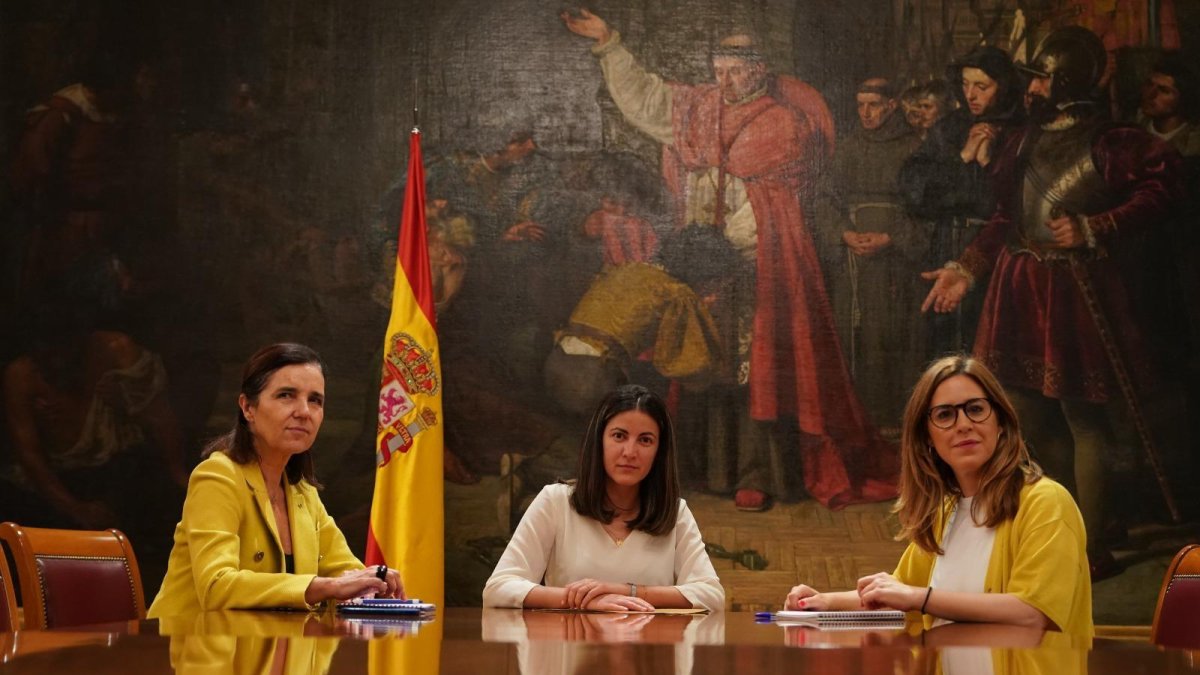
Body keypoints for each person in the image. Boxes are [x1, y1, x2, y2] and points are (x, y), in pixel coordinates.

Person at [561, 9, 897, 513]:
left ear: (760, 70)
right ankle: (702, 467)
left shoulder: (783, 123)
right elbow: (648, 98)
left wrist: (726, 248)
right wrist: (609, 43)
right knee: (702, 364)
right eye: (719, 71)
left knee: (754, 371)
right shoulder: (700, 110)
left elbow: (769, 207)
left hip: (757, 264)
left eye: (737, 71)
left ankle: (757, 473)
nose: (727, 81)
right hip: (703, 262)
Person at [920, 27, 1183, 578]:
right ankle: (1066, 526)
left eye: (1042, 77)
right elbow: (1004, 219)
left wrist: (1097, 225)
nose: (1033, 87)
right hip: (1020, 284)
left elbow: (1163, 188)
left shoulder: (1113, 140)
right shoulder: (1023, 139)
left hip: (1074, 288)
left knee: (1083, 416)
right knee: (1028, 412)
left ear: (1066, 81)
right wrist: (965, 270)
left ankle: (1091, 544)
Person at [784, 355, 1093, 637]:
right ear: (927, 438)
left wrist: (922, 599)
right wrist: (823, 601)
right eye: (945, 415)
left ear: (1000, 422)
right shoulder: (945, 511)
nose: (963, 425)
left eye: (975, 409)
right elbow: (899, 592)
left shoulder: (1047, 503)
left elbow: (1032, 613)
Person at [147, 343, 403, 617]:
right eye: (286, 395)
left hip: (266, 650)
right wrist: (325, 587)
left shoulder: (301, 490)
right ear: (248, 408)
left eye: (315, 400)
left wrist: (372, 580)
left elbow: (343, 571)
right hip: (185, 649)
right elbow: (216, 586)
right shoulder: (217, 476)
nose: (304, 411)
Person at [482, 384, 724, 611]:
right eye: (619, 436)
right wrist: (585, 601)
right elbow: (498, 588)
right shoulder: (556, 502)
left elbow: (711, 595)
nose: (630, 452)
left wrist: (628, 592)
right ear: (599, 441)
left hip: (649, 652)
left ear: (659, 452)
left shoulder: (675, 512)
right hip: (568, 649)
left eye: (645, 440)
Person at [814, 77, 925, 431]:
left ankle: (894, 425)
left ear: (892, 105)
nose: (865, 112)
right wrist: (844, 233)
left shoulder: (914, 149)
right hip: (853, 260)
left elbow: (926, 210)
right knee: (853, 335)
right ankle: (856, 424)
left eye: (873, 105)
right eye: (860, 105)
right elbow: (824, 201)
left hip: (894, 264)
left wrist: (890, 238)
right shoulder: (847, 148)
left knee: (891, 336)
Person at [900, 45, 1025, 359]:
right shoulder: (950, 128)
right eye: (966, 85)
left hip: (1001, 251)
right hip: (948, 244)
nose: (971, 94)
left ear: (1004, 86)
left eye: (982, 87)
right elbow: (914, 191)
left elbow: (1017, 202)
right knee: (947, 342)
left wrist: (988, 165)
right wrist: (963, 157)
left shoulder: (1022, 129)